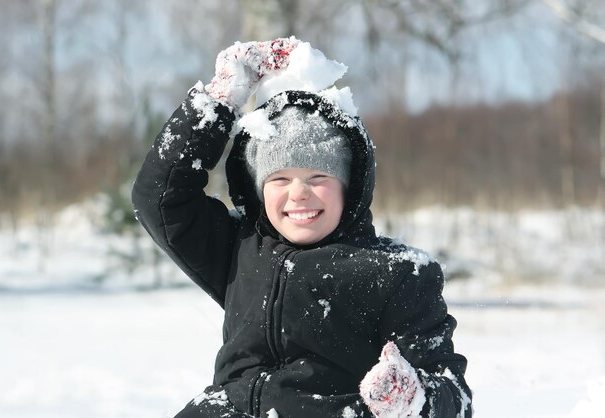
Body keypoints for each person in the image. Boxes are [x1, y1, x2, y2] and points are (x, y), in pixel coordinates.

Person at [132, 38, 472, 418]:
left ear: (350, 185)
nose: (299, 194)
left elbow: (452, 392)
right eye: (279, 179)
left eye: (318, 175)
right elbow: (159, 198)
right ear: (259, 189)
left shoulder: (396, 274)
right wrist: (216, 104)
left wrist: (414, 397)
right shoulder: (240, 250)